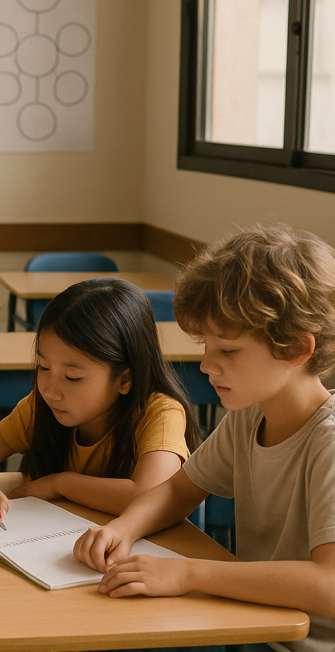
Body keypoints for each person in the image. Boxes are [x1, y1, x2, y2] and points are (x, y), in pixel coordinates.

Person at [73, 224, 335, 652]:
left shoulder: (329, 443)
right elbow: (180, 488)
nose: (207, 365)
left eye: (227, 350)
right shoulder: (250, 413)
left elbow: (329, 586)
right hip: (257, 626)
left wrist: (187, 573)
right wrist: (124, 527)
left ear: (296, 350)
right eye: (205, 344)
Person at [0, 277, 202, 527]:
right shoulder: (40, 407)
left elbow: (148, 496)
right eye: (44, 367)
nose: (50, 391)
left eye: (72, 377)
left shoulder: (159, 412)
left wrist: (60, 484)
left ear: (125, 379)